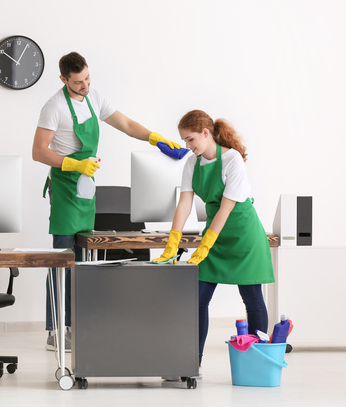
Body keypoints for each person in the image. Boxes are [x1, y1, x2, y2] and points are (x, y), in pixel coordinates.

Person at [32, 52, 181, 351]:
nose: (85, 85)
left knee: (85, 257)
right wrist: (72, 165)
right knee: (62, 259)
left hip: (86, 186)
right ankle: (55, 330)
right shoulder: (54, 107)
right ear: (64, 80)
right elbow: (39, 151)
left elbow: (125, 123)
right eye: (78, 82)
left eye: (87, 79)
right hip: (64, 187)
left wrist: (154, 137)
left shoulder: (94, 97)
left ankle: (80, 324)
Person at [152, 109, 274, 373]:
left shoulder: (232, 160)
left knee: (251, 297)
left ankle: (257, 363)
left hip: (242, 233)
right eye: (184, 140)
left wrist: (204, 245)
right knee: (197, 298)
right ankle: (190, 362)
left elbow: (226, 209)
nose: (187, 146)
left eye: (191, 139)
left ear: (206, 134)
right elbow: (184, 203)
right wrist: (173, 240)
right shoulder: (191, 164)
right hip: (215, 234)